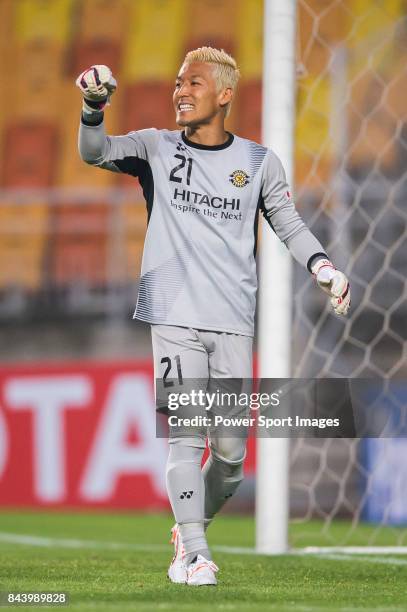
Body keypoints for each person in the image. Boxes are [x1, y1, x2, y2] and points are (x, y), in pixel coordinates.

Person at [76, 47, 350, 586]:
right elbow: (94, 152)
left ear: (224, 94)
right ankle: (195, 554)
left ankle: (187, 529)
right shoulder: (154, 148)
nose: (181, 90)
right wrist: (92, 108)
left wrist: (322, 264)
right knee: (187, 434)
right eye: (178, 81)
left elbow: (289, 224)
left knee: (228, 459)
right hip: (173, 312)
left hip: (233, 321)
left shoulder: (258, 162)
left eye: (194, 82)